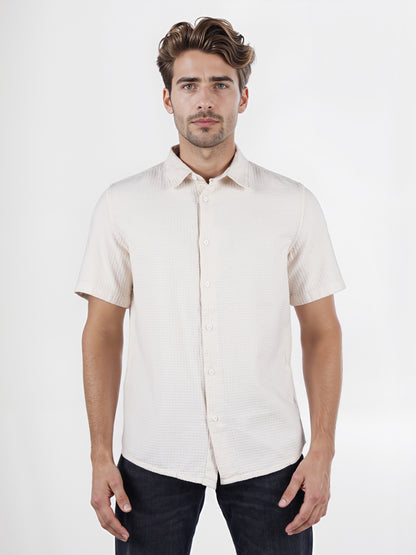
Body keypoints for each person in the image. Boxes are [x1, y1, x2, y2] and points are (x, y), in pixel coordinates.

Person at [74, 16, 346, 555]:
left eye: (221, 84)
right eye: (189, 85)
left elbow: (322, 332)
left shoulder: (292, 204)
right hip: (154, 456)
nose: (204, 99)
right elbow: (101, 332)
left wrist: (323, 451)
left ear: (242, 97)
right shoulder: (121, 205)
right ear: (168, 98)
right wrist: (99, 453)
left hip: (269, 456)